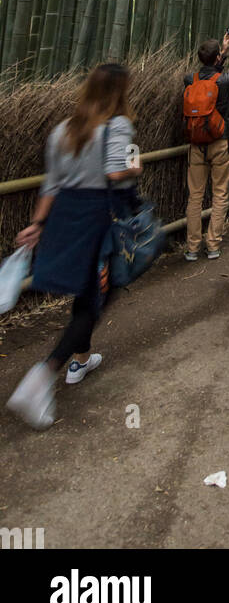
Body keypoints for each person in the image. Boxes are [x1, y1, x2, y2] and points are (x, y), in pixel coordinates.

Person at [6, 64, 143, 430]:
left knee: (87, 295)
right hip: (99, 217)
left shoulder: (62, 131)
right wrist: (136, 164)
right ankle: (44, 374)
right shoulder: (120, 126)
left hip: (67, 215)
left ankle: (80, 359)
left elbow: (51, 184)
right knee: (100, 295)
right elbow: (119, 171)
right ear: (120, 93)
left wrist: (37, 224)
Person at [183, 26, 229, 260]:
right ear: (217, 57)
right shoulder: (224, 81)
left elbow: (208, 77)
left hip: (196, 144)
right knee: (220, 194)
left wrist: (222, 52)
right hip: (221, 141)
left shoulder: (190, 79)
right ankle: (213, 245)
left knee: (195, 196)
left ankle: (191, 248)